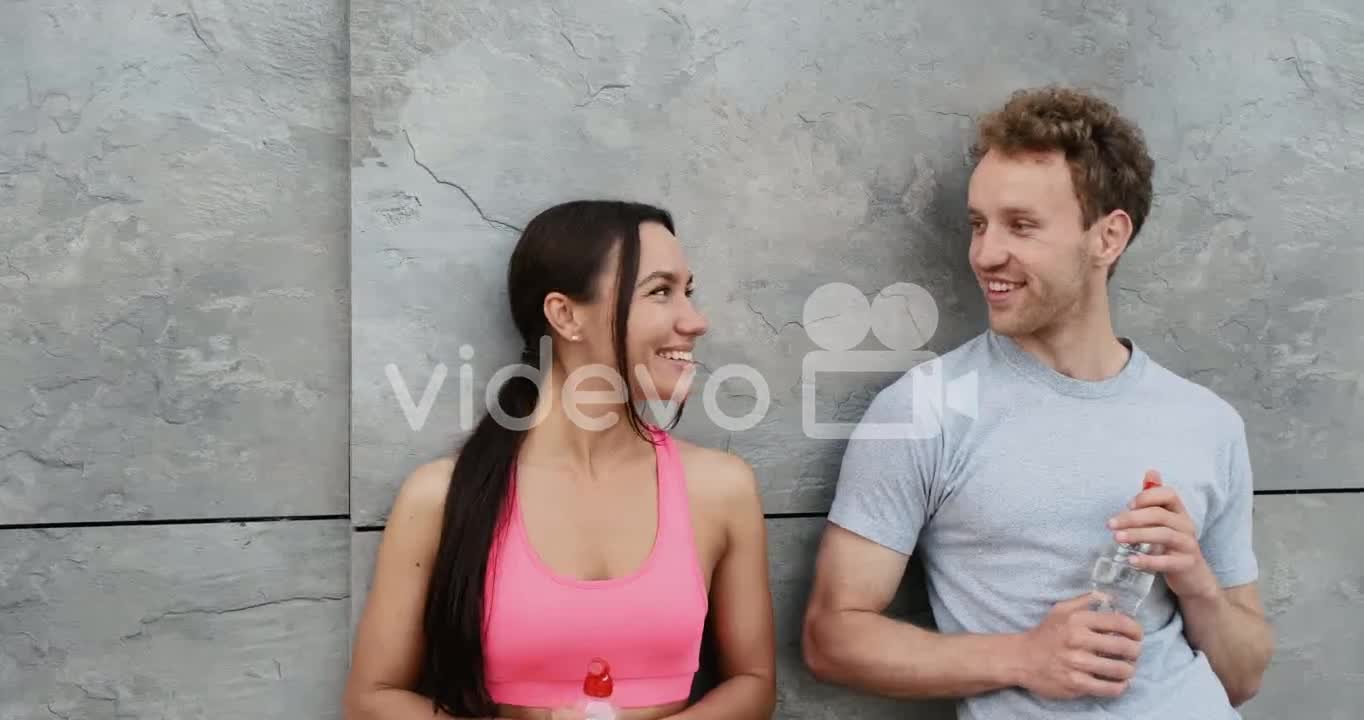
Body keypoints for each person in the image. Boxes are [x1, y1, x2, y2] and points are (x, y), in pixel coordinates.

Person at [801, 86, 1274, 718]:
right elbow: (832, 638)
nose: (985, 253)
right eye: (979, 224)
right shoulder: (925, 410)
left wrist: (1196, 583)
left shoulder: (1208, 422)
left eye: (1020, 225)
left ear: (1107, 238)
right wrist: (1024, 657)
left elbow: (1243, 678)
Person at [344, 200, 776, 720]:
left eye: (688, 291)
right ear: (566, 315)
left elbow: (754, 684)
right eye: (660, 292)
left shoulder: (721, 489)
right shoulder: (441, 497)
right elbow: (372, 699)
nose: (696, 320)